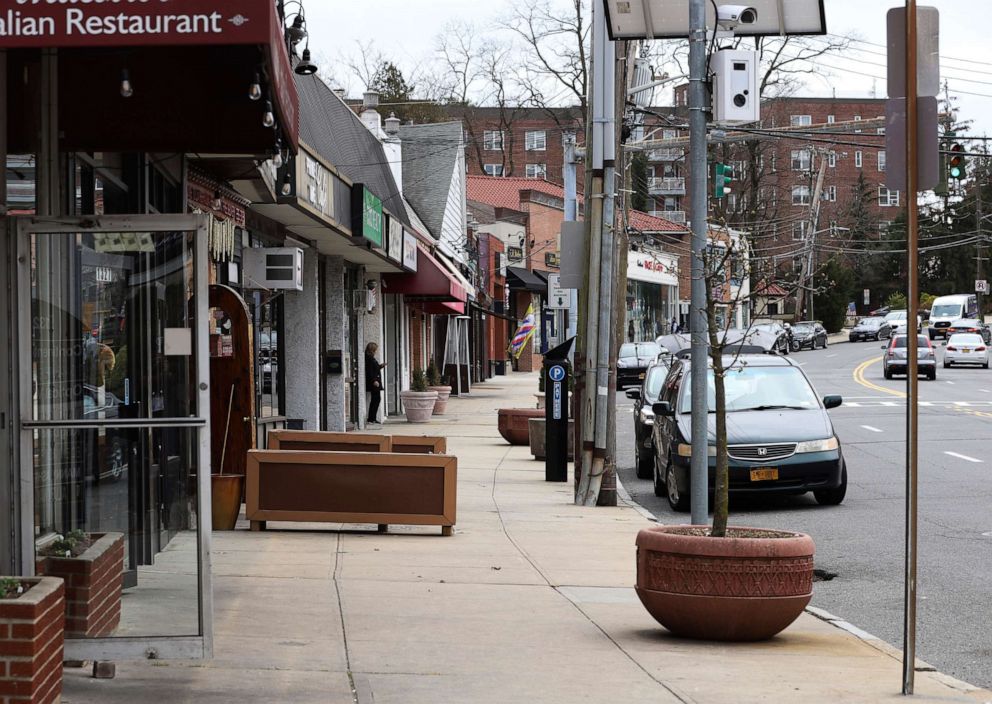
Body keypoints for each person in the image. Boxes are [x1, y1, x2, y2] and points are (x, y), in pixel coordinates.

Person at [364, 342, 386, 425]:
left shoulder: (371, 358)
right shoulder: (369, 358)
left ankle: (373, 418)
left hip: (375, 381)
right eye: (375, 349)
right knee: (375, 400)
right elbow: (369, 371)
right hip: (374, 382)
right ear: (372, 350)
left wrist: (380, 366)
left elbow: (374, 369)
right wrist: (374, 381)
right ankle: (371, 419)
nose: (376, 351)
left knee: (376, 400)